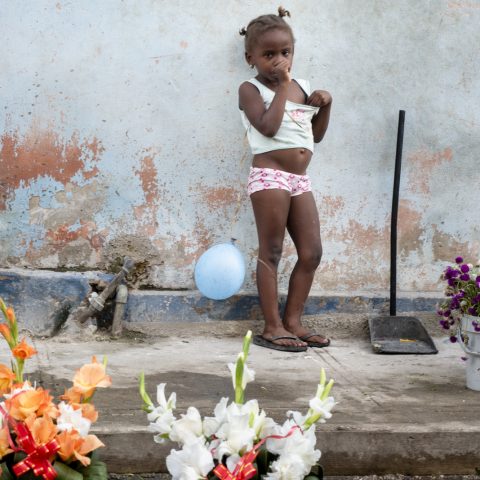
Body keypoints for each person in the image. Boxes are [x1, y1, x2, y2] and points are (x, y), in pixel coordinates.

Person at [238, 7, 332, 352]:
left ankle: (293, 321)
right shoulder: (250, 89)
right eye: (269, 54)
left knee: (311, 252)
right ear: (251, 58)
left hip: (299, 180)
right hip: (270, 176)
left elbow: (315, 137)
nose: (279, 60)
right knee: (272, 250)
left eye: (285, 53)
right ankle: (271, 326)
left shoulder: (301, 87)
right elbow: (267, 127)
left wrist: (326, 106)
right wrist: (282, 86)